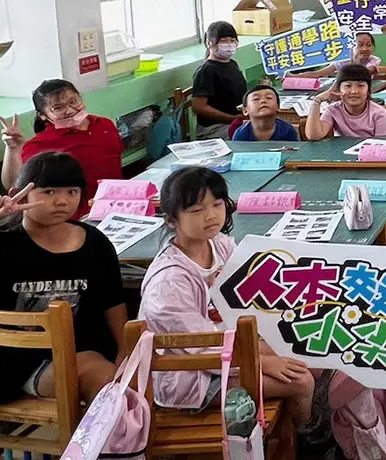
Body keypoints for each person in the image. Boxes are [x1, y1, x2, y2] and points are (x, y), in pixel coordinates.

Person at [139, 168, 323, 439]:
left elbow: (252, 289)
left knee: (311, 357)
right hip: (192, 376)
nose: (211, 215)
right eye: (196, 210)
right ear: (170, 219)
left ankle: (299, 426)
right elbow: (201, 348)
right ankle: (308, 438)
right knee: (301, 381)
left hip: (231, 347)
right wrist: (262, 363)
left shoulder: (220, 245)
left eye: (217, 204)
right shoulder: (169, 282)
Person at [0, 152, 126, 404]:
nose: (62, 201)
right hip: (17, 362)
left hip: (86, 350)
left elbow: (113, 303)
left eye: (72, 192)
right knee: (99, 376)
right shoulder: (5, 243)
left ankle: (102, 428)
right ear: (19, 195)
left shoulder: (95, 243)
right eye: (49, 192)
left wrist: (126, 350)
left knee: (110, 383)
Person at [1, 79, 123, 214]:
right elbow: (14, 185)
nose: (70, 110)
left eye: (73, 101)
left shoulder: (104, 124)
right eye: (58, 108)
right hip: (80, 214)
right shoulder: (41, 144)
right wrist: (12, 149)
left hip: (119, 202)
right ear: (42, 115)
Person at [191, 21, 248, 138]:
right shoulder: (206, 71)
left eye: (232, 40)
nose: (229, 44)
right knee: (253, 135)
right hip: (214, 128)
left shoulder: (233, 64)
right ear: (209, 43)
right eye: (223, 41)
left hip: (237, 121)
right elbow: (198, 107)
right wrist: (231, 119)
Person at [304, 64, 386, 139]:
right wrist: (316, 101)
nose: (354, 91)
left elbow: (381, 144)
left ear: (368, 90)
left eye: (360, 86)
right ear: (338, 89)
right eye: (348, 86)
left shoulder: (379, 113)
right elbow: (313, 135)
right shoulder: (333, 110)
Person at [231, 85, 299, 143]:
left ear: (278, 107)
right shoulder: (240, 134)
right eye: (256, 99)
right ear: (245, 110)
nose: (263, 101)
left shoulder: (287, 130)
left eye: (269, 98)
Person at [311, 31, 381, 78]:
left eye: (369, 45)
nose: (365, 49)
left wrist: (357, 62)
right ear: (350, 46)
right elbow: (319, 73)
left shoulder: (374, 60)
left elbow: (363, 72)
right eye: (360, 45)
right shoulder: (344, 60)